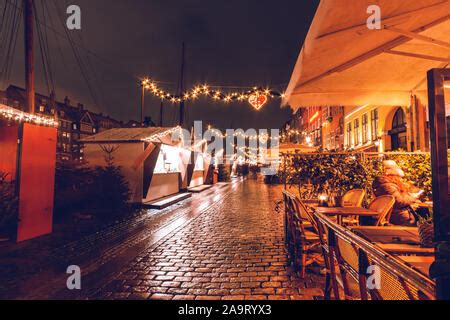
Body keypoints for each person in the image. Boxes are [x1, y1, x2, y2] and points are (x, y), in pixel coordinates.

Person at [372, 160, 423, 226]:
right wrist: (413, 197)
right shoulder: (387, 185)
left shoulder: (390, 184)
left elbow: (404, 193)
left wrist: (414, 193)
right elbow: (398, 201)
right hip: (398, 217)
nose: (400, 179)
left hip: (400, 214)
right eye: (399, 177)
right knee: (424, 218)